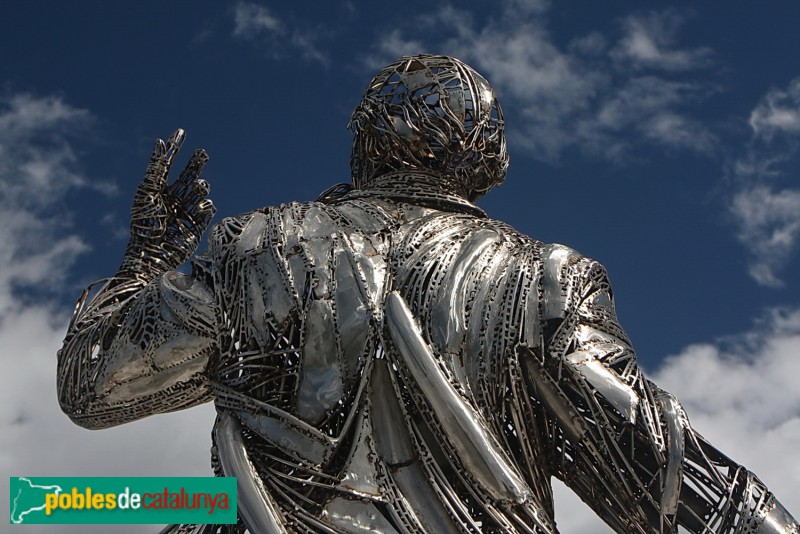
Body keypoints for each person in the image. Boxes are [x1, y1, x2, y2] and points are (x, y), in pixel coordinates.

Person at [58, 55, 798, 533]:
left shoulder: (251, 248)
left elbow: (95, 388)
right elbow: (661, 472)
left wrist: (147, 260)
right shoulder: (543, 282)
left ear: (364, 143)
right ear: (491, 164)